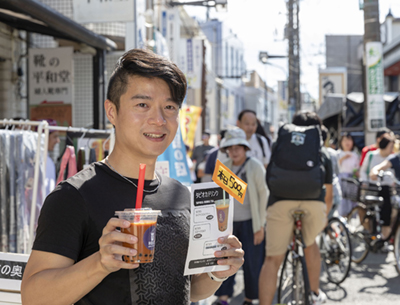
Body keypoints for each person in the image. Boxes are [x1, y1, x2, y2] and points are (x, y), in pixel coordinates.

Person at [21, 49, 244, 305]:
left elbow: (188, 288)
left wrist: (217, 271)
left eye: (169, 107)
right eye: (142, 105)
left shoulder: (181, 195)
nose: (158, 119)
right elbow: (33, 297)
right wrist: (100, 263)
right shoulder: (74, 196)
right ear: (111, 111)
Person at [259, 111, 332, 305]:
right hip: (313, 203)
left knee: (272, 260)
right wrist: (323, 219)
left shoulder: (280, 145)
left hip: (280, 202)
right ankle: (315, 294)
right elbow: (329, 194)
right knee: (310, 243)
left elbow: (270, 176)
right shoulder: (320, 150)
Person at [213, 129, 268, 305]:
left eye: (238, 147)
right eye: (230, 148)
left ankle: (250, 298)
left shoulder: (255, 166)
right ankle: (223, 297)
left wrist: (261, 226)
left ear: (245, 148)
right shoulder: (223, 166)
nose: (234, 151)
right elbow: (217, 195)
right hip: (228, 224)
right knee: (225, 260)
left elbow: (263, 196)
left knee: (253, 262)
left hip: (252, 222)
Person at [359, 133, 396, 240]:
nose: (392, 149)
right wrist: (366, 181)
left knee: (387, 214)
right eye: (390, 146)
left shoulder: (392, 158)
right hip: (371, 188)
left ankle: (385, 238)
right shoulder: (371, 155)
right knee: (370, 213)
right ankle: (371, 235)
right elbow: (363, 171)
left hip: (386, 189)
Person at [337, 133, 359, 216]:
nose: (347, 143)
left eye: (349, 140)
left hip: (352, 179)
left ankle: (351, 217)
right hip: (341, 179)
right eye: (345, 140)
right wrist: (343, 158)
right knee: (342, 200)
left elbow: (357, 169)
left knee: (352, 200)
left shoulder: (355, 155)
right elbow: (336, 167)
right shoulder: (338, 154)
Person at [43, 119, 60, 197]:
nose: (58, 141)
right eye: (55, 136)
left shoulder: (48, 160)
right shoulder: (38, 161)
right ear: (44, 136)